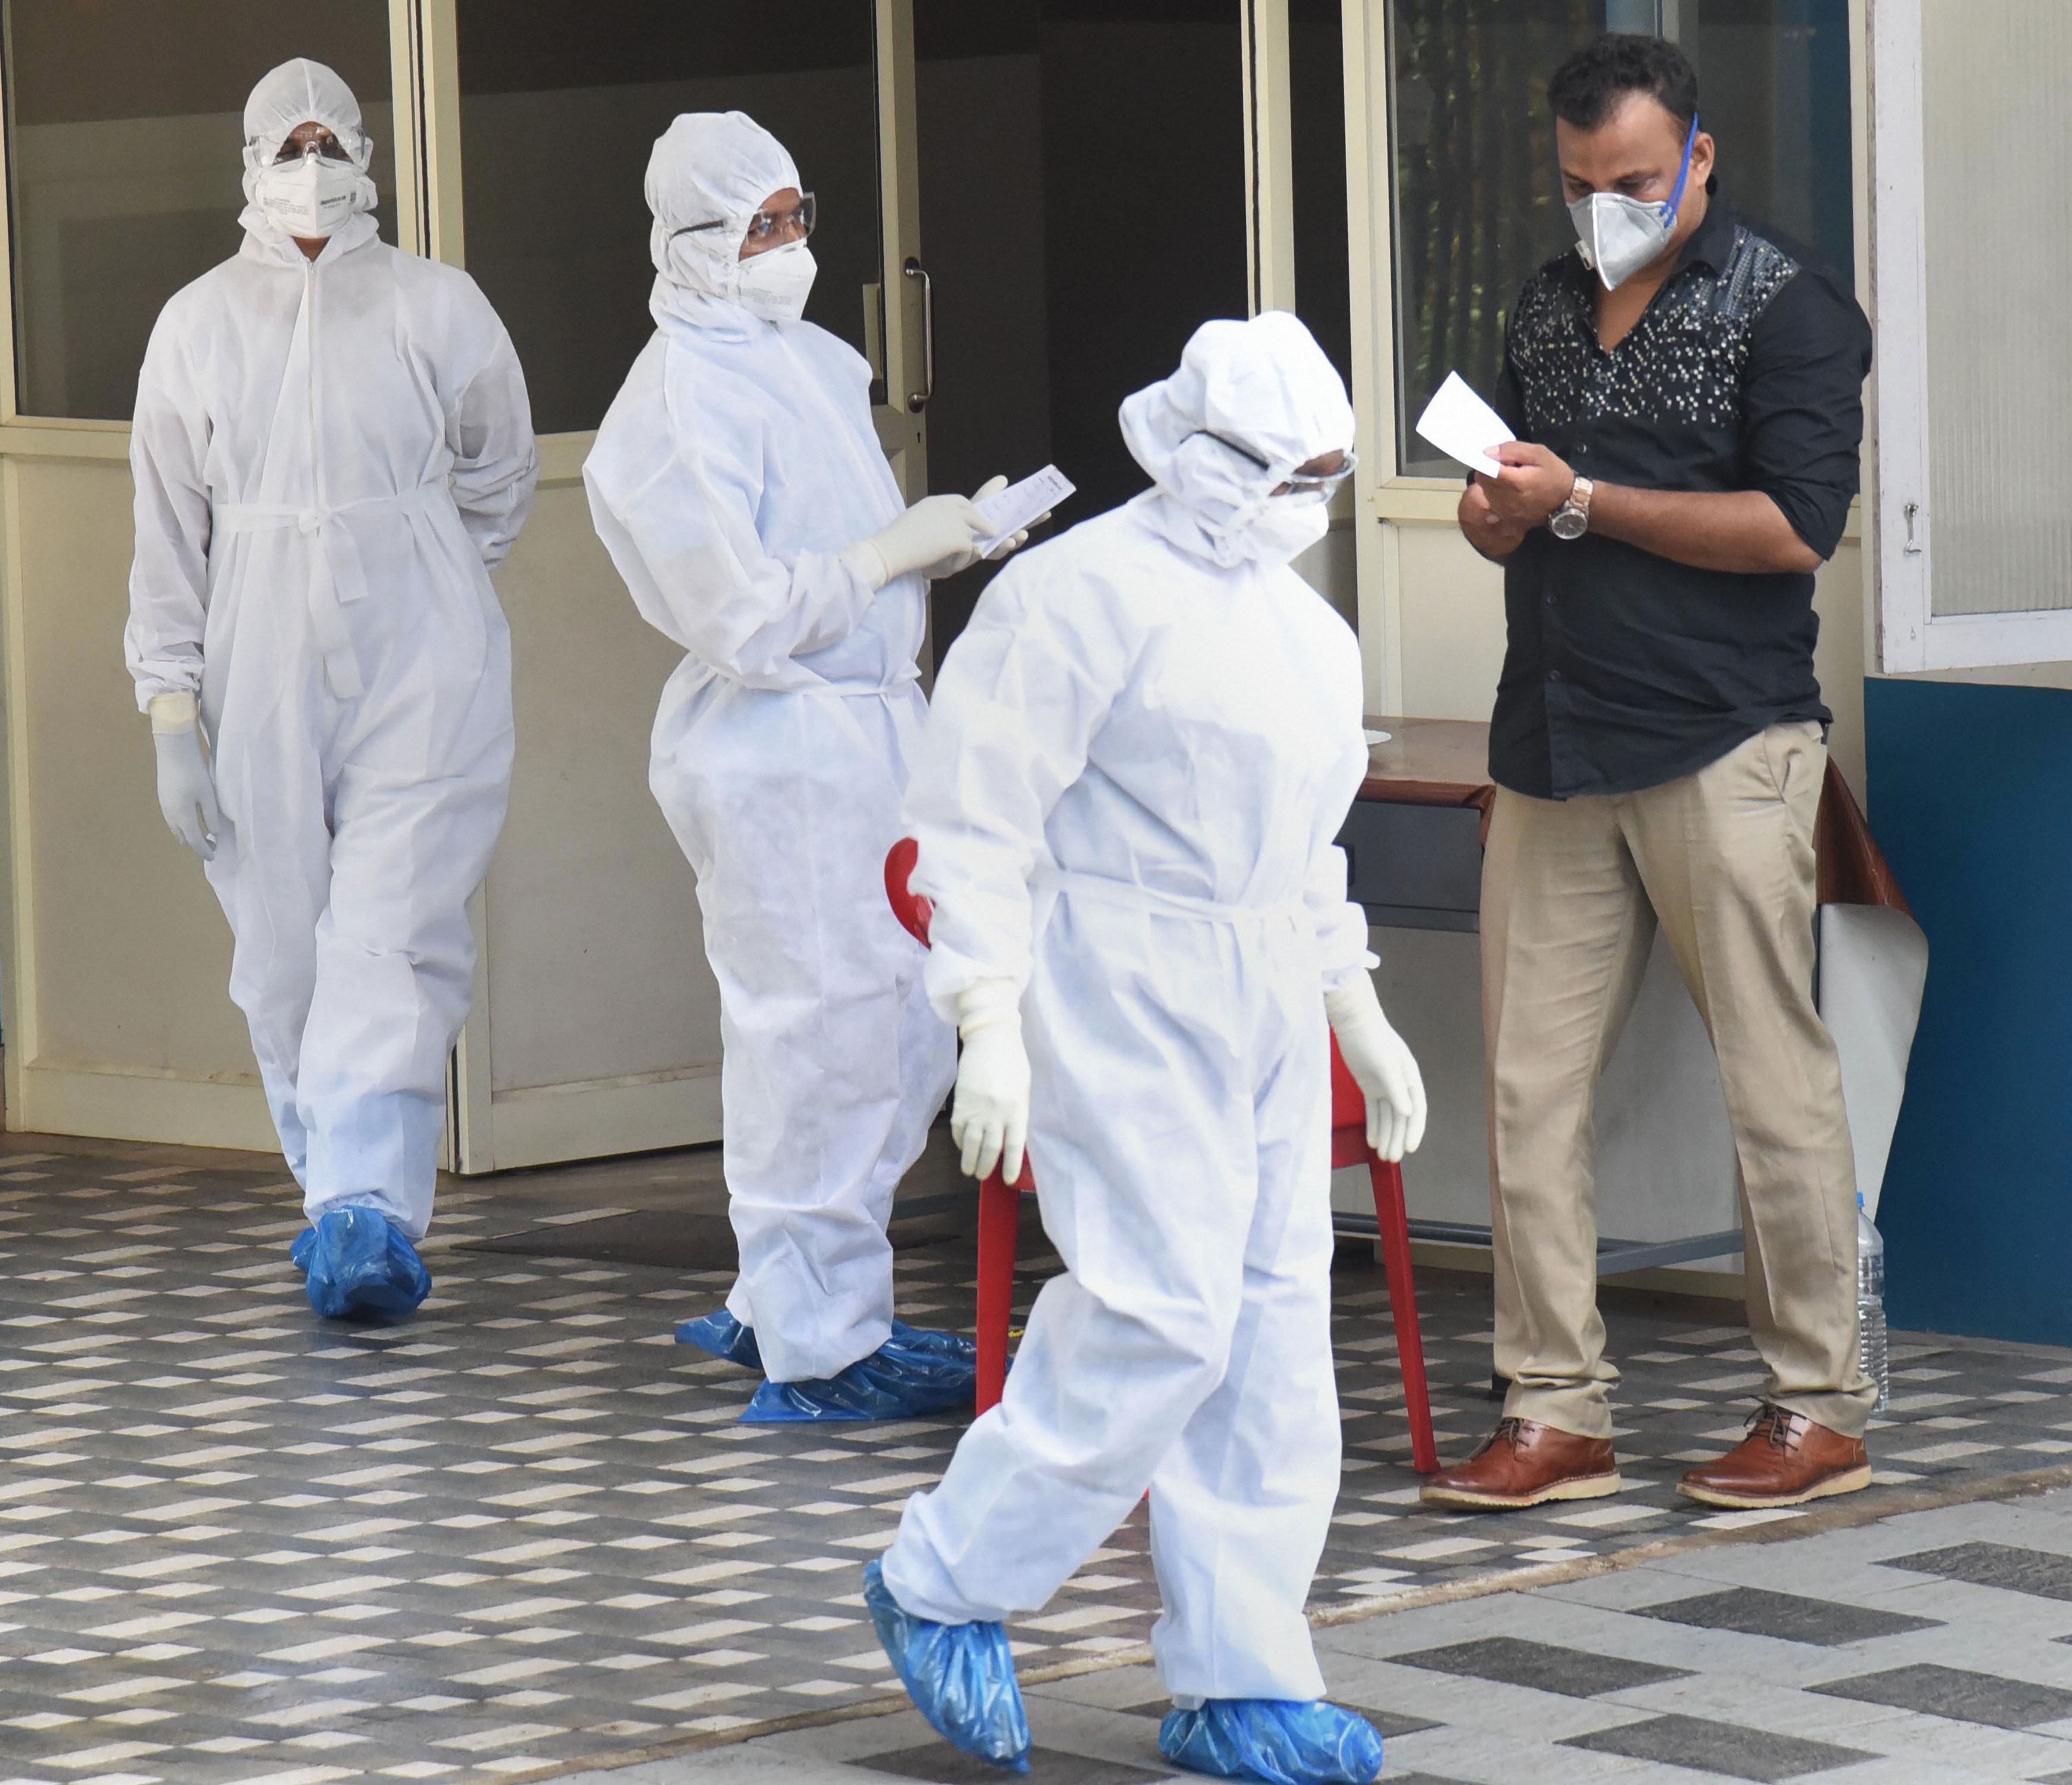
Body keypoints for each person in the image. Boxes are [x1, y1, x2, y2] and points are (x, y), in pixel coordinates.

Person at [861, 312, 1424, 1782]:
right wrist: (985, 1017)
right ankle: (943, 1578)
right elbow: (973, 822)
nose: (1307, 497)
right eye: (1283, 468)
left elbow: (1310, 854)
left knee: (1275, 1326)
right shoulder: (1072, 596)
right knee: (1164, 1310)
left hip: (1258, 992)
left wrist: (1352, 1006)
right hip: (1114, 970)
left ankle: (1241, 1671)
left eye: (1326, 471)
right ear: (1193, 447)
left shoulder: (1312, 633)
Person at [1424, 32, 1877, 1514]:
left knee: (1773, 1082)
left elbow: (1798, 526)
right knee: (1525, 1088)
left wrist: (1589, 503)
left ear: (1698, 157)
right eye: (1576, 184)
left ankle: (1816, 1405)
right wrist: (1501, 515)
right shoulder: (1549, 304)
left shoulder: (1790, 306)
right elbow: (1518, 498)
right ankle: (1556, 1409)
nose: (1599, 208)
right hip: (1555, 738)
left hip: (1724, 737)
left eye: (1628, 180)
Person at [584, 112, 1033, 1424]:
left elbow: (835, 548)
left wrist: (933, 551)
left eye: (796, 216)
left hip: (871, 731)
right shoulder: (671, 406)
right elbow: (742, 613)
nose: (788, 247)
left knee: (897, 1024)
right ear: (692, 242)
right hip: (779, 748)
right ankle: (822, 1343)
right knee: (819, 1037)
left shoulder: (807, 358)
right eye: (758, 226)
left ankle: (790, 1292)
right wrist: (891, 558)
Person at [126, 58, 537, 1321]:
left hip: (422, 647)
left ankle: (367, 1211)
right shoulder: (197, 324)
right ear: (250, 161)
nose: (310, 160)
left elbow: (501, 473)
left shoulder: (435, 304)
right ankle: (334, 1189)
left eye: (328, 137)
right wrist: (172, 710)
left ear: (364, 151)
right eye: (286, 140)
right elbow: (167, 530)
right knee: (284, 946)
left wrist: (416, 570)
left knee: (391, 929)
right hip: (251, 658)